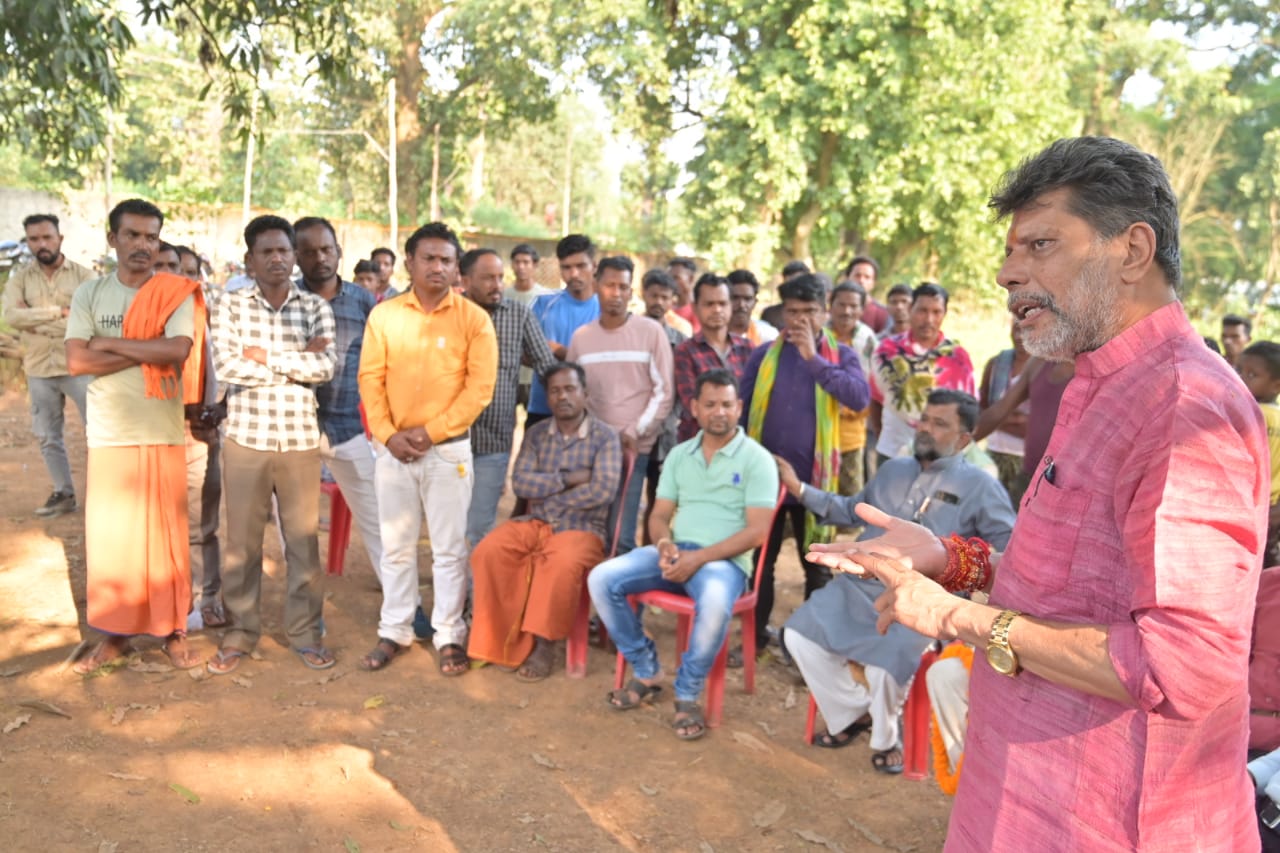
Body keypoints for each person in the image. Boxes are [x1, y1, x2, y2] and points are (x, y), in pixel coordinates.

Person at [809, 136, 1269, 851]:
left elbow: (1183, 667)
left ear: (1133, 251)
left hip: (1114, 815)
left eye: (1039, 245)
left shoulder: (1185, 408)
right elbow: (1079, 582)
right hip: (1023, 790)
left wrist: (957, 616)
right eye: (1011, 251)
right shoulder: (1094, 378)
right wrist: (947, 558)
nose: (1005, 273)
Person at [780, 390, 1015, 772]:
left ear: (964, 439)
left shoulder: (981, 487)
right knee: (798, 635)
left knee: (884, 668)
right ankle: (853, 713)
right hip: (858, 586)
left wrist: (973, 587)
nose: (925, 428)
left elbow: (1007, 546)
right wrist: (799, 489)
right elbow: (849, 508)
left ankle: (886, 738)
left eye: (940, 424)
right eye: (925, 419)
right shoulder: (893, 469)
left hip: (922, 597)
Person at [589, 368, 778, 740]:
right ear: (695, 407)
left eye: (726, 404)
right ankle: (647, 668)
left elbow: (757, 533)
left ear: (739, 407)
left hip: (723, 564)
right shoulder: (679, 455)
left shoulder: (757, 460)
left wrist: (701, 557)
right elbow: (659, 515)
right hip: (676, 554)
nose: (718, 412)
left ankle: (687, 692)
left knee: (712, 603)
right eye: (710, 404)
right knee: (601, 578)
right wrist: (663, 544)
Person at [64, 198, 202, 673]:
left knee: (165, 537)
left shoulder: (175, 292)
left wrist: (109, 344)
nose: (143, 245)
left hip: (160, 430)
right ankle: (117, 634)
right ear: (113, 240)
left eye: (151, 237)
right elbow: (77, 362)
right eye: (133, 235)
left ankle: (172, 629)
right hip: (109, 432)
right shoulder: (90, 294)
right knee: (114, 540)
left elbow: (178, 351)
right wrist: (145, 351)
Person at [357, 222, 497, 675]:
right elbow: (369, 379)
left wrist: (430, 433)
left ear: (457, 267)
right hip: (393, 450)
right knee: (395, 546)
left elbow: (480, 390)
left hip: (447, 453)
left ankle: (449, 635)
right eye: (429, 258)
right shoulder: (385, 315)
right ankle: (394, 629)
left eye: (447, 260)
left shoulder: (474, 319)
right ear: (410, 262)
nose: (438, 266)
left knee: (449, 549)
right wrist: (387, 434)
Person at [209, 215, 338, 675]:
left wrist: (264, 356)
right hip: (247, 439)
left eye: (284, 250)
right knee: (242, 544)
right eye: (267, 252)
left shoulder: (315, 305)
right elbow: (227, 366)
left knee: (303, 544)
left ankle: (305, 633)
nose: (279, 259)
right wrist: (295, 361)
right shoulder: (230, 305)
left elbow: (325, 368)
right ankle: (241, 632)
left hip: (300, 441)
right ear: (250, 259)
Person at [739, 273, 869, 663]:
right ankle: (754, 640)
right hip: (767, 482)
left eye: (809, 312)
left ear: (824, 312)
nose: (800, 321)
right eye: (792, 313)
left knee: (818, 568)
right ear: (781, 314)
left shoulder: (841, 356)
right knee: (762, 563)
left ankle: (812, 649)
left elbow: (859, 398)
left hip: (816, 485)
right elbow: (743, 414)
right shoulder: (764, 357)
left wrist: (813, 359)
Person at [467, 362, 621, 679]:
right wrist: (567, 479)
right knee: (489, 551)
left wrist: (552, 497)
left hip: (583, 529)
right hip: (535, 523)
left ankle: (544, 644)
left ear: (585, 394)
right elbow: (522, 483)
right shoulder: (537, 434)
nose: (562, 396)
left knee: (559, 562)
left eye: (569, 389)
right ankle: (499, 638)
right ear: (547, 398)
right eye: (555, 391)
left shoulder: (605, 437)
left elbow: (602, 490)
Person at [294, 217, 384, 577]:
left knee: (378, 518)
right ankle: (305, 608)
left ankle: (402, 606)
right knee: (296, 530)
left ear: (339, 253)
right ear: (297, 257)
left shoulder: (363, 301)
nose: (320, 258)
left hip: (348, 428)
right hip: (295, 430)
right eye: (310, 251)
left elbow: (382, 358)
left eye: (326, 249)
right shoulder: (287, 301)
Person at [567, 256, 674, 554]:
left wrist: (635, 430)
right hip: (592, 451)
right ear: (596, 286)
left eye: (623, 287)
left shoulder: (651, 333)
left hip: (632, 449)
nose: (616, 293)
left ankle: (626, 601)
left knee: (621, 534)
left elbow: (664, 392)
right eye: (609, 285)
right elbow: (575, 397)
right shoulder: (581, 338)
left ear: (631, 292)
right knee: (588, 533)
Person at [460, 247, 556, 546]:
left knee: (478, 527)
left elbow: (546, 366)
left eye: (501, 277)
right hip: (447, 441)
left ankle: (477, 594)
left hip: (493, 442)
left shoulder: (519, 315)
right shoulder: (450, 315)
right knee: (448, 528)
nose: (497, 285)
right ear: (465, 279)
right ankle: (451, 591)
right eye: (488, 278)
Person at [3, 213, 96, 517]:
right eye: (34, 239)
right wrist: (61, 314)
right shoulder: (21, 279)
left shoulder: (84, 277)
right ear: (27, 242)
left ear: (60, 239)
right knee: (47, 435)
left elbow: (88, 322)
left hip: (79, 366)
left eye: (47, 237)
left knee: (97, 432)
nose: (41, 244)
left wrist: (35, 319)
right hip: (39, 367)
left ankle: (103, 496)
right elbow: (13, 317)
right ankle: (64, 493)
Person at [155, 244, 227, 629]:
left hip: (197, 429)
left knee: (202, 523)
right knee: (159, 522)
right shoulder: (142, 314)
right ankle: (164, 599)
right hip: (154, 430)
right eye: (165, 266)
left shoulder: (206, 314)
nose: (175, 275)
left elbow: (224, 369)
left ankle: (207, 596)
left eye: (185, 270)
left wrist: (217, 411)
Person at [868, 282, 974, 462]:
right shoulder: (886, 352)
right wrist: (881, 435)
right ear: (910, 310)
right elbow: (875, 399)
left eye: (936, 312)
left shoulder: (957, 358)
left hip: (938, 457)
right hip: (892, 452)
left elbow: (967, 412)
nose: (929, 319)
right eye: (922, 310)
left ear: (945, 314)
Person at [525, 234, 600, 429]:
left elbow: (603, 362)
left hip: (591, 411)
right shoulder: (543, 305)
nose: (574, 273)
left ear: (594, 266)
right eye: (566, 267)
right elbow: (522, 352)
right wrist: (544, 358)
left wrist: (558, 351)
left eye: (581, 266)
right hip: (542, 408)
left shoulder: (605, 310)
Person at [639, 267, 689, 545]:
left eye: (664, 297)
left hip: (666, 432)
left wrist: (674, 421)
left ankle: (650, 551)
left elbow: (682, 389)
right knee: (627, 498)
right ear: (644, 295)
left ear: (673, 301)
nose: (658, 301)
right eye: (653, 295)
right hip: (633, 431)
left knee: (659, 500)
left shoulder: (680, 342)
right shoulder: (631, 332)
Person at [673, 274, 754, 443]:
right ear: (695, 308)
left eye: (722, 303)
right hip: (698, 446)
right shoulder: (685, 352)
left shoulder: (748, 349)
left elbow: (756, 400)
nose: (717, 310)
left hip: (743, 444)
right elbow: (693, 405)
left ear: (731, 306)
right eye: (709, 304)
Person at [828, 281, 876, 499]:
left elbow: (873, 386)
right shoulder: (819, 335)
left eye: (853, 306)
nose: (847, 311)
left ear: (862, 309)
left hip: (852, 432)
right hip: (819, 430)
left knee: (850, 500)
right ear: (831, 305)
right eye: (841, 304)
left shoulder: (867, 340)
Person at [979, 321, 1032, 506]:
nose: (1019, 336)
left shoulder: (1045, 368)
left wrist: (999, 418)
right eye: (1016, 329)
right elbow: (982, 411)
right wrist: (1018, 419)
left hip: (1025, 458)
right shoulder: (996, 364)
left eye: (1026, 330)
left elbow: (1035, 427)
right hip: (994, 453)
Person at [1238, 340, 1280, 566]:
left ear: (1276, 385)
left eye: (1252, 375)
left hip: (1248, 508)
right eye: (1239, 371)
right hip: (1272, 513)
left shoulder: (1248, 413)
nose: (1242, 379)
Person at [502, 243, 553, 407]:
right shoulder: (502, 296)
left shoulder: (547, 297)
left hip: (535, 374)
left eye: (526, 262)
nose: (521, 267)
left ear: (535, 265)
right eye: (517, 262)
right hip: (508, 373)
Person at [726, 269, 779, 347]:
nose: (741, 305)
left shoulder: (768, 335)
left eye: (747, 299)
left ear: (755, 302)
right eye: (735, 298)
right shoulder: (713, 334)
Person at [840, 256, 889, 333]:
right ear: (847, 278)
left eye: (867, 277)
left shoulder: (883, 314)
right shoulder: (836, 309)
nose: (861, 281)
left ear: (873, 283)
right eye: (857, 276)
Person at [667, 256, 699, 334]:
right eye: (669, 278)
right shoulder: (667, 307)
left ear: (691, 279)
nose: (671, 282)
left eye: (676, 278)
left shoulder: (698, 309)